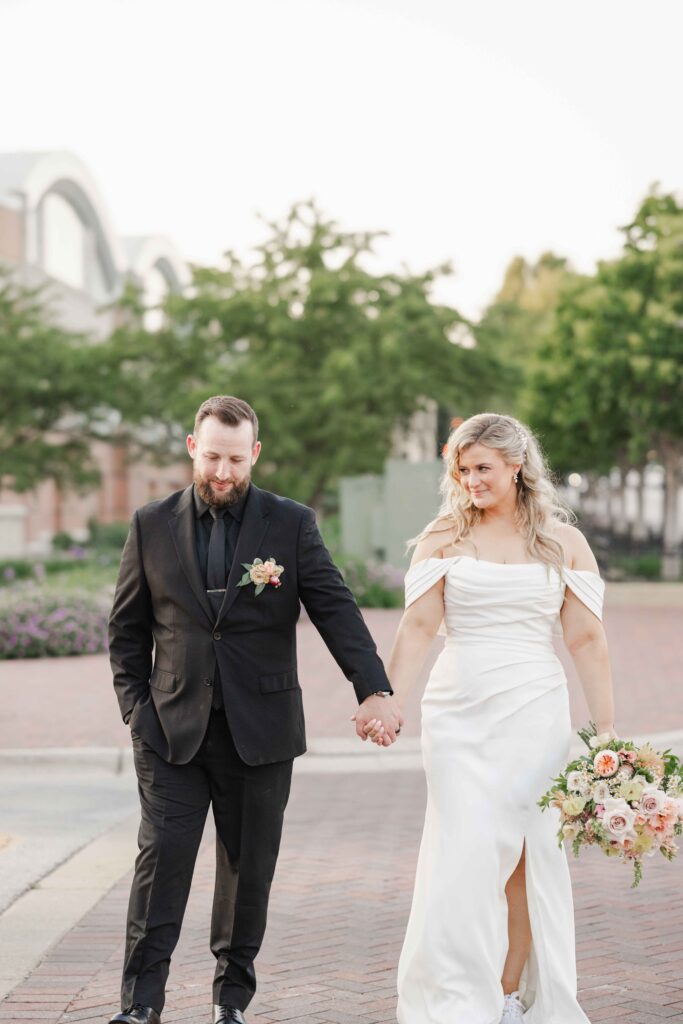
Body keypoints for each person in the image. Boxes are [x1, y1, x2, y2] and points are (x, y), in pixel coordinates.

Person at [107, 395, 403, 1024]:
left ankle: (230, 1003)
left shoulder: (290, 523)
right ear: (193, 447)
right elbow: (126, 631)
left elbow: (335, 607)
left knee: (248, 873)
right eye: (213, 457)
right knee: (161, 865)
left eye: (236, 460)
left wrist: (373, 688)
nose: (223, 472)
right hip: (170, 732)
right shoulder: (150, 524)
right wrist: (137, 712)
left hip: (261, 733)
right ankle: (140, 1004)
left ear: (255, 454)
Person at [368, 412, 615, 1024]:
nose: (471, 480)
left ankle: (505, 995)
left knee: (529, 856)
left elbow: (586, 640)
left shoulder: (564, 543)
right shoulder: (443, 536)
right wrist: (388, 699)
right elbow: (417, 628)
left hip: (535, 712)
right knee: (465, 851)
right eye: (462, 469)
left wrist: (606, 731)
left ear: (517, 465)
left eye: (483, 468)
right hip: (458, 714)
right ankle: (455, 995)